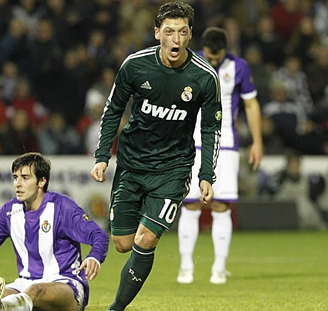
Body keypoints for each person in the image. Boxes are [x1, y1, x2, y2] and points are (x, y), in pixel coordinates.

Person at [90, 3, 222, 311]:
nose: (175, 39)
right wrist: (101, 156)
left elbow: (211, 129)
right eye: (169, 32)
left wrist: (205, 175)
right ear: (157, 34)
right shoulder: (135, 66)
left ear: (190, 35)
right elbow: (112, 111)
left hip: (173, 169)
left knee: (146, 239)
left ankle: (115, 309)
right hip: (132, 165)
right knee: (123, 244)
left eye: (182, 32)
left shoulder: (204, 77)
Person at [0, 152, 109, 311]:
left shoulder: (61, 207)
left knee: (35, 290)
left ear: (41, 181)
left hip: (66, 285)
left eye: (25, 178)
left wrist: (94, 256)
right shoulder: (9, 212)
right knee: (3, 294)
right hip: (25, 284)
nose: (17, 184)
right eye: (15, 178)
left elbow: (99, 235)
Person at [176, 27, 263, 285]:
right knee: (190, 204)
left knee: (221, 205)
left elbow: (251, 104)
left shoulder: (239, 66)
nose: (213, 63)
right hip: (191, 142)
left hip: (224, 142)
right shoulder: (189, 61)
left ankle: (218, 267)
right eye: (210, 58)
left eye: (218, 59)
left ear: (227, 49)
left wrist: (257, 141)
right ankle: (185, 267)